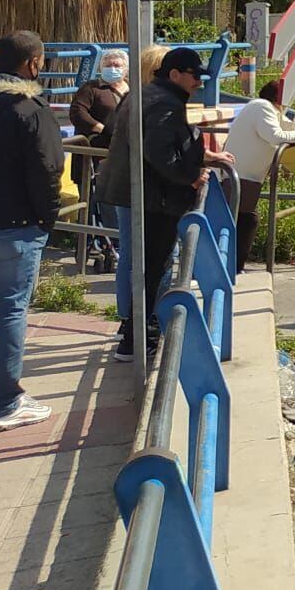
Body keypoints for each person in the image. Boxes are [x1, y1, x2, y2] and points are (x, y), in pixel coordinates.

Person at [0, 31, 65, 431]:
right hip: (14, 227)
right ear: (33, 64)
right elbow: (48, 169)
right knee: (10, 310)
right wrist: (47, 218)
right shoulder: (29, 108)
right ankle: (4, 402)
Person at [120, 47, 232, 362]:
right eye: (195, 75)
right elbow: (162, 153)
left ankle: (136, 334)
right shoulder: (164, 103)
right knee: (154, 268)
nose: (199, 82)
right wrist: (190, 176)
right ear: (175, 74)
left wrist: (203, 158)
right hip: (159, 199)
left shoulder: (153, 97)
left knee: (151, 268)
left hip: (152, 195)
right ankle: (139, 339)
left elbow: (173, 145)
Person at [98, 45, 166, 326]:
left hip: (126, 187)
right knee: (145, 255)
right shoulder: (148, 102)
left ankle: (130, 319)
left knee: (130, 252)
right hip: (138, 190)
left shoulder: (132, 98)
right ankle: (140, 323)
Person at [222, 80, 295, 270]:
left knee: (243, 221)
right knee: (243, 221)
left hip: (246, 178)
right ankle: (233, 268)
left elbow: (293, 130)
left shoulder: (271, 112)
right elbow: (276, 136)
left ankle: (233, 267)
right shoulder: (261, 107)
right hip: (237, 177)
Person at [69, 51, 127, 203]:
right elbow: (77, 112)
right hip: (95, 153)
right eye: (108, 65)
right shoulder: (91, 88)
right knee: (93, 199)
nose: (113, 68)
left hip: (122, 153)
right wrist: (101, 129)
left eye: (117, 65)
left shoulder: (133, 89)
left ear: (126, 69)